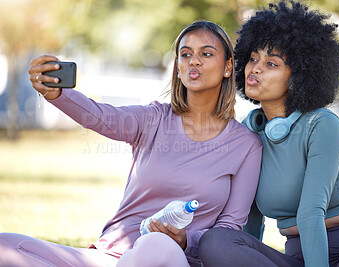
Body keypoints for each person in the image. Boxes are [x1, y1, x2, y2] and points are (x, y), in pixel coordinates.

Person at [0, 20, 262, 267]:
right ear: (178, 69)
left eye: (206, 54)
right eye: (185, 54)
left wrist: (185, 240)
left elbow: (228, 229)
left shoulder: (246, 146)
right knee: (6, 246)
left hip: (172, 257)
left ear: (228, 67)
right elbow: (101, 116)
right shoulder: (153, 119)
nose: (194, 60)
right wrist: (58, 94)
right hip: (113, 256)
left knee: (157, 245)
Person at [198, 1, 339, 267]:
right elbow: (250, 218)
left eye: (272, 63)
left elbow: (310, 211)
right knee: (216, 241)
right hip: (297, 259)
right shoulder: (249, 131)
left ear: (299, 76)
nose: (255, 68)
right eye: (253, 58)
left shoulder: (322, 124)